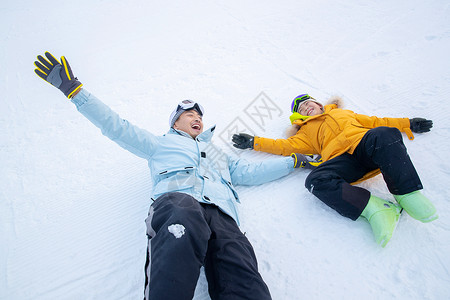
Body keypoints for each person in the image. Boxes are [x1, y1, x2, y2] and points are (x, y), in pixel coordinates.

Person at [34, 51, 302, 300]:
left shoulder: (215, 151)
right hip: (178, 201)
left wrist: (294, 161)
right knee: (181, 222)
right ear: (175, 122)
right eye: (189, 114)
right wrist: (75, 92)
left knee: (239, 263)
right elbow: (116, 126)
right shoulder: (160, 144)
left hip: (221, 212)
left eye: (199, 115)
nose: (197, 118)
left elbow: (250, 172)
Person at [232, 93, 437, 247]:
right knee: (316, 179)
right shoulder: (305, 132)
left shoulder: (343, 113)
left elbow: (377, 121)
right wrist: (254, 142)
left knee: (384, 133)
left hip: (366, 145)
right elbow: (283, 146)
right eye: (301, 108)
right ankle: (376, 208)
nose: (305, 107)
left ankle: (407, 194)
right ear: (298, 117)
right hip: (344, 161)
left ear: (319, 104)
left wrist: (408, 123)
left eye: (307, 103)